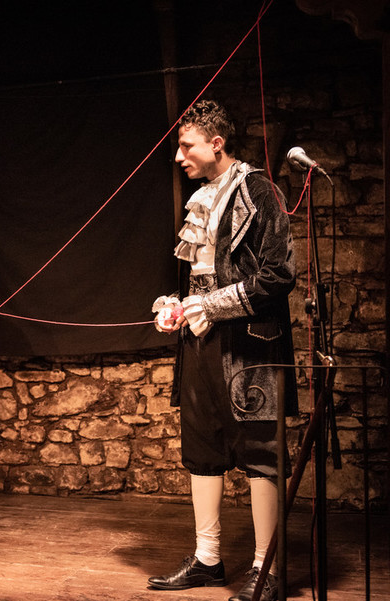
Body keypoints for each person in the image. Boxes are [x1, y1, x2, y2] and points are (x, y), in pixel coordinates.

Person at [149, 100, 297, 601]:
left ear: (216, 144)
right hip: (202, 345)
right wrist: (178, 306)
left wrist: (209, 304)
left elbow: (278, 276)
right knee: (203, 447)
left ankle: (267, 568)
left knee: (261, 453)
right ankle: (208, 560)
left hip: (251, 345)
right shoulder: (202, 197)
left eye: (186, 145)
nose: (178, 156)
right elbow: (202, 276)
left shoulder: (260, 191)